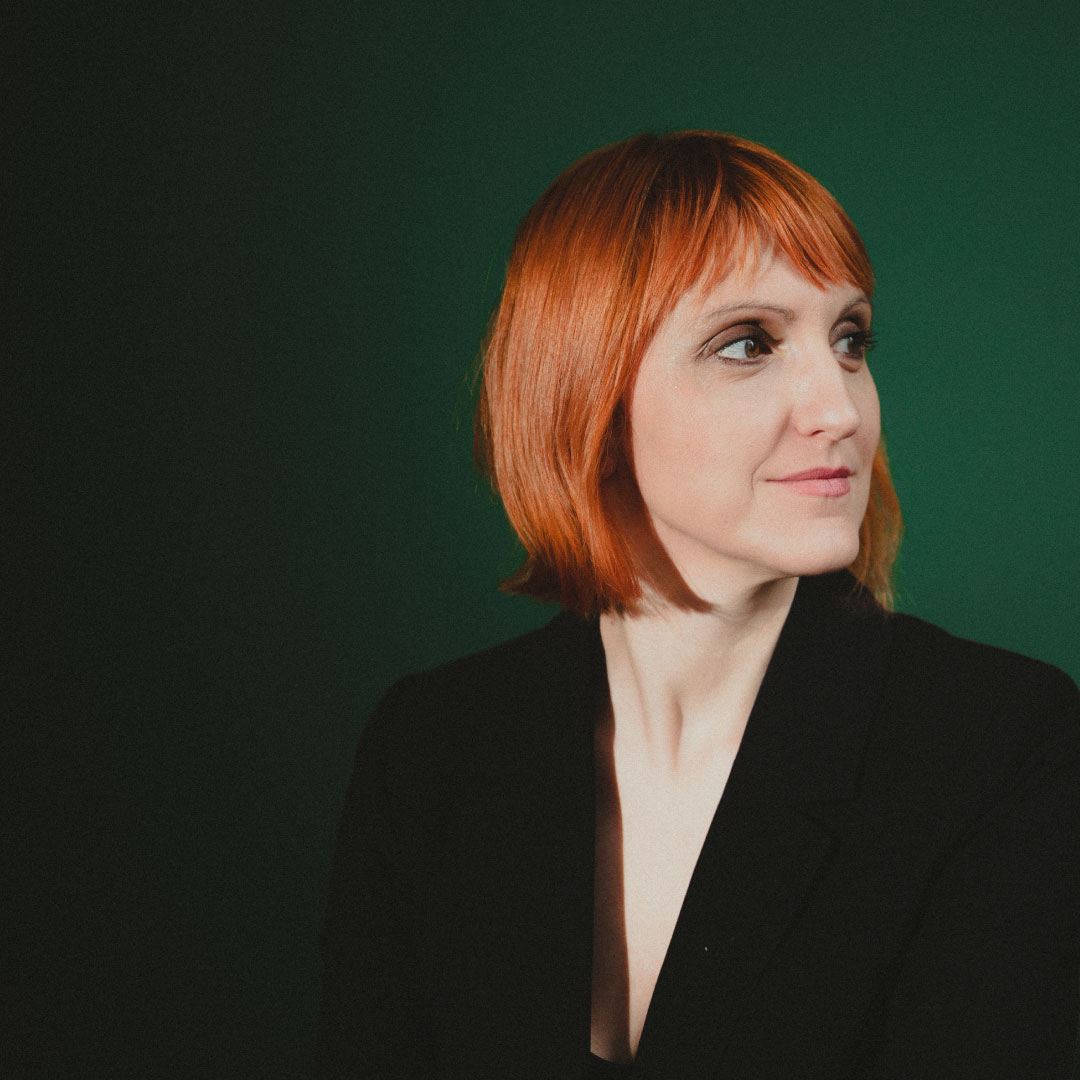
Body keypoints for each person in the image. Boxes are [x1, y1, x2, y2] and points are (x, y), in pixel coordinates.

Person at [315, 131, 1080, 1079]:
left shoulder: (999, 745)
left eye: (850, 339)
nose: (841, 409)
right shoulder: (432, 747)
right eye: (748, 343)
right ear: (587, 402)